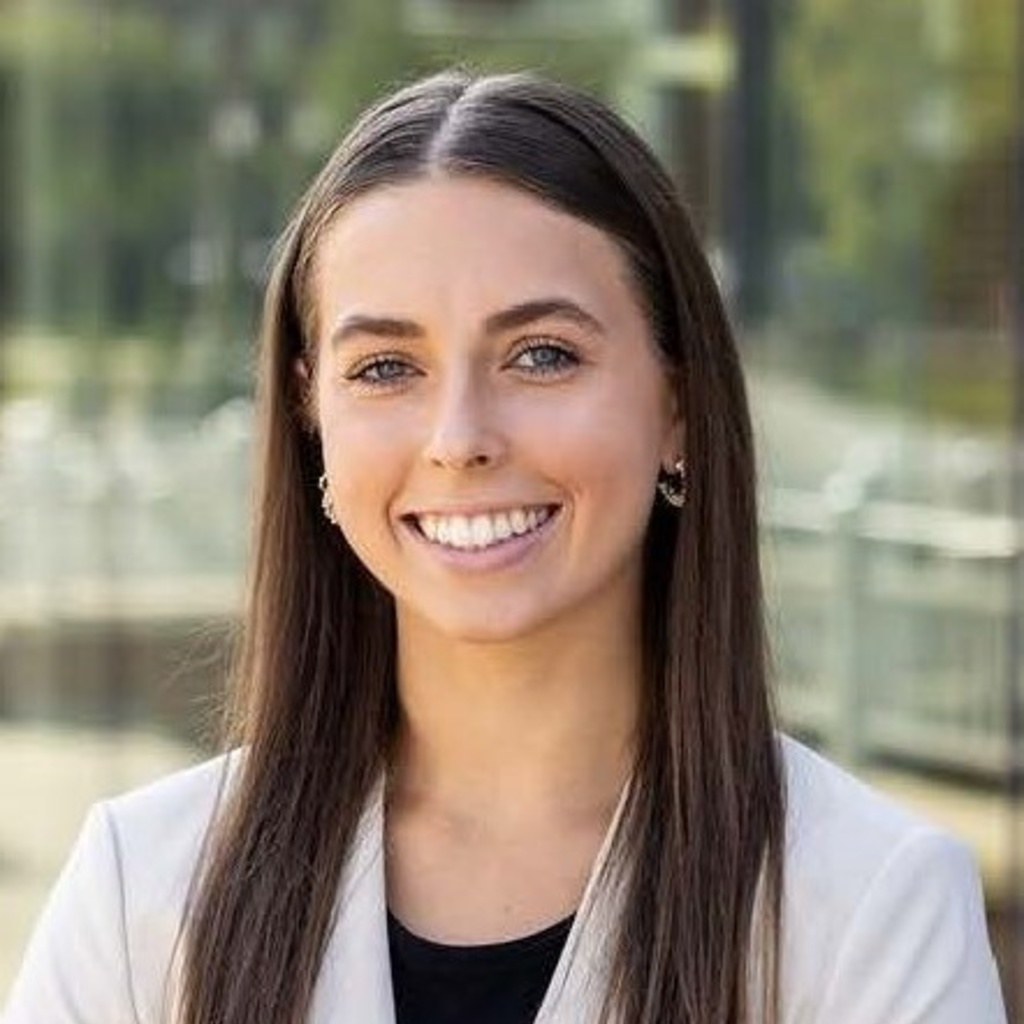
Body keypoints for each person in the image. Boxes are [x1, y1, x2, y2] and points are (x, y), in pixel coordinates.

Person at [3, 70, 1007, 1024]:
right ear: (312, 416)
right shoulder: (146, 888)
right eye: (388, 366)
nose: (458, 439)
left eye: (541, 355)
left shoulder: (869, 903)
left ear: (678, 407)